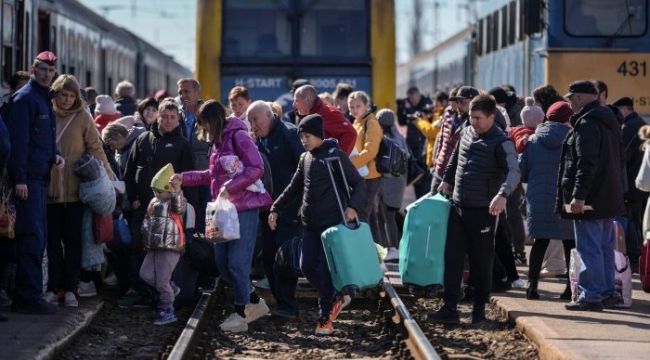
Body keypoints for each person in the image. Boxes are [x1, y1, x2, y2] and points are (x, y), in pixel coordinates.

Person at [175, 100, 271, 332]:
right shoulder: (219, 142)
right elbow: (211, 174)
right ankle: (255, 303)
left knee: (237, 264)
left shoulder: (238, 136)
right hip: (226, 210)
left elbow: (256, 167)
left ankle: (241, 314)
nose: (204, 130)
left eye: (205, 124)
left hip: (245, 208)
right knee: (223, 263)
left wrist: (232, 188)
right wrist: (183, 178)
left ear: (214, 120)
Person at [268, 114, 366, 335]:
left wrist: (353, 207)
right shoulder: (305, 158)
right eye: (301, 136)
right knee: (305, 266)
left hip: (331, 225)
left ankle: (325, 318)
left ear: (319, 135)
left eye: (308, 136)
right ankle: (336, 295)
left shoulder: (335, 156)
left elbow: (359, 183)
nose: (304, 140)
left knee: (325, 269)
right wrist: (276, 208)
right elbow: (294, 187)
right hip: (309, 224)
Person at [430, 94, 520, 324]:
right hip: (459, 207)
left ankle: (478, 312)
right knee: (452, 259)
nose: (474, 122)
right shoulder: (467, 132)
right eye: (471, 117)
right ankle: (449, 308)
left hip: (483, 212)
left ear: (491, 117)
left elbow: (513, 172)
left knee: (481, 263)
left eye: (478, 118)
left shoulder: (502, 142)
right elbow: (454, 159)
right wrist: (446, 180)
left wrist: (502, 194)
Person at [43, 75, 115, 306]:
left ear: (77, 97)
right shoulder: (46, 113)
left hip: (76, 191)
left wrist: (108, 176)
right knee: (53, 243)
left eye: (71, 96)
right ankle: (55, 288)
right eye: (63, 94)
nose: (66, 100)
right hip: (49, 191)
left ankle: (72, 288)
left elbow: (95, 147)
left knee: (73, 242)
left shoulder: (82, 117)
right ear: (56, 93)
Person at [557, 80, 626, 311]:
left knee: (589, 247)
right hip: (609, 196)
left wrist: (578, 196)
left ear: (580, 98)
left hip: (591, 199)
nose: (570, 103)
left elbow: (586, 165)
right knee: (605, 247)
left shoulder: (586, 125)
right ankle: (606, 293)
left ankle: (591, 296)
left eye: (571, 98)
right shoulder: (610, 121)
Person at [6, 52, 64, 314]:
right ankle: (27, 296)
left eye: (50, 71)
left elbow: (42, 139)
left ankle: (28, 294)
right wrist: (20, 179)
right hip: (27, 180)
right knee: (31, 237)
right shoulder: (26, 99)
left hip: (39, 178)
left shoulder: (42, 100)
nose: (46, 74)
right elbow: (18, 144)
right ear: (33, 69)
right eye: (42, 70)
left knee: (36, 238)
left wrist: (55, 155)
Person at [121, 100, 195, 308]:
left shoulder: (182, 144)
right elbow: (129, 171)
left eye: (173, 117)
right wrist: (134, 198)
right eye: (165, 116)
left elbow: (189, 179)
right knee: (138, 249)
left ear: (178, 119)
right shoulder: (143, 139)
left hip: (169, 213)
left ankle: (164, 294)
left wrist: (186, 209)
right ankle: (139, 292)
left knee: (163, 256)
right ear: (157, 116)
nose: (169, 121)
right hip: (142, 207)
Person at [247, 100, 304, 319]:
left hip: (289, 207)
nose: (253, 125)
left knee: (284, 255)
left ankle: (289, 305)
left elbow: (304, 169)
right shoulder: (257, 141)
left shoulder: (289, 135)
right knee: (269, 255)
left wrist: (301, 202)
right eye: (250, 121)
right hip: (266, 208)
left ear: (269, 115)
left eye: (255, 119)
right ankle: (281, 302)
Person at [520, 101, 576, 300]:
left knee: (540, 241)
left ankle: (531, 286)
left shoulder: (533, 140)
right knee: (570, 243)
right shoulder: (573, 139)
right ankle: (570, 289)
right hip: (565, 198)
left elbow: (523, 172)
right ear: (567, 119)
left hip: (538, 198)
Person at [140, 164, 186, 325]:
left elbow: (179, 208)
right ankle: (171, 289)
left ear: (169, 190)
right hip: (154, 245)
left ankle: (167, 309)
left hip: (170, 246)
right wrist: (145, 239)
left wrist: (176, 190)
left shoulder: (174, 201)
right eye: (154, 190)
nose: (156, 194)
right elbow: (147, 222)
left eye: (160, 191)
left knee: (162, 280)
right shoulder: (154, 202)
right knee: (145, 274)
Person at [613, 96, 647, 272]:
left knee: (630, 221)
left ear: (625, 110)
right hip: (642, 184)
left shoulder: (628, 127)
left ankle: (634, 258)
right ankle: (641, 258)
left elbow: (622, 155)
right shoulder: (642, 124)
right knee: (639, 221)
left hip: (631, 183)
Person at [348, 91, 383, 248]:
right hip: (362, 174)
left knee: (362, 215)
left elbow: (371, 151)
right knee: (369, 217)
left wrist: (350, 165)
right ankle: (377, 254)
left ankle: (366, 254)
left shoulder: (371, 123)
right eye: (351, 106)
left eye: (358, 106)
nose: (354, 110)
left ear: (366, 106)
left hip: (370, 175)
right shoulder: (357, 122)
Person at [430, 86, 477, 195]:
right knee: (432, 207)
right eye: (457, 102)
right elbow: (441, 139)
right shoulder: (449, 115)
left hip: (457, 176)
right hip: (440, 170)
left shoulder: (475, 124)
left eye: (463, 102)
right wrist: (437, 160)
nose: (458, 105)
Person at [177, 78, 209, 233]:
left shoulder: (208, 114)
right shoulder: (177, 115)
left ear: (197, 92)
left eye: (186, 91)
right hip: (184, 175)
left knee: (204, 214)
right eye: (180, 92)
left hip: (204, 174)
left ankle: (204, 248)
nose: (183, 95)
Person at [376, 109, 408, 261]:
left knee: (384, 218)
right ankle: (392, 248)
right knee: (390, 216)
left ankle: (390, 248)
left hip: (385, 182)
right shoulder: (400, 137)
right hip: (399, 182)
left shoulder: (383, 139)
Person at [293, 85, 357, 155]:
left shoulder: (328, 113)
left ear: (308, 99)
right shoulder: (310, 115)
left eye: (296, 101)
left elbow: (350, 133)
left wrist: (337, 158)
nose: (294, 105)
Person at [397, 87, 434, 198]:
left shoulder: (427, 103)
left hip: (424, 148)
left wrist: (409, 110)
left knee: (425, 181)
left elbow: (422, 119)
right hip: (412, 147)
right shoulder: (408, 105)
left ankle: (425, 201)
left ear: (418, 94)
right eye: (409, 98)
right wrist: (400, 109)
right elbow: (402, 122)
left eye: (413, 97)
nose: (411, 100)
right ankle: (419, 200)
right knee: (416, 178)